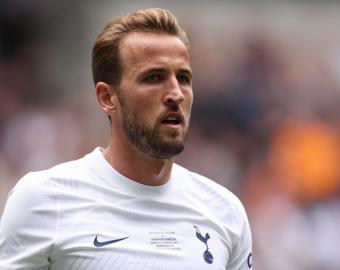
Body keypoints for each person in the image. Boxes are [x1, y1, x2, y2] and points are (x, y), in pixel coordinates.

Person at [0, 7, 253, 269]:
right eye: (154, 77)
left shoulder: (225, 211)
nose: (176, 93)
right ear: (107, 98)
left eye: (183, 78)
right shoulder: (44, 199)